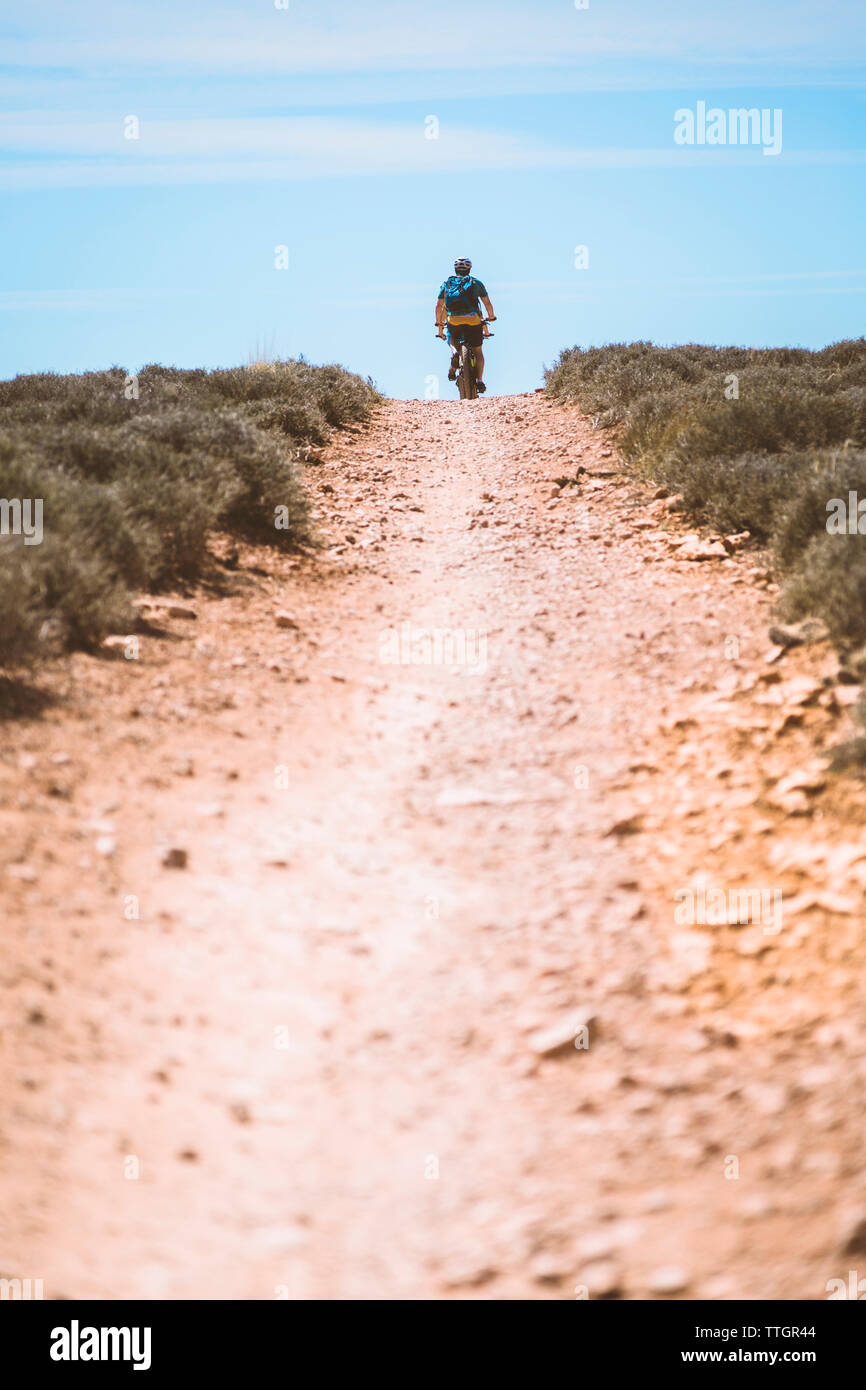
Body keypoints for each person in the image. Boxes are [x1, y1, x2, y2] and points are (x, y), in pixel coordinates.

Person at [435, 257, 496, 393]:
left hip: (453, 319)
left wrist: (439, 322)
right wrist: (491, 317)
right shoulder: (475, 283)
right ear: (469, 269)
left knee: (452, 338)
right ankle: (479, 380)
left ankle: (455, 352)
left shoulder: (447, 284)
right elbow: (487, 303)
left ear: (455, 269)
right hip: (473, 320)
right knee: (478, 351)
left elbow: (439, 306)